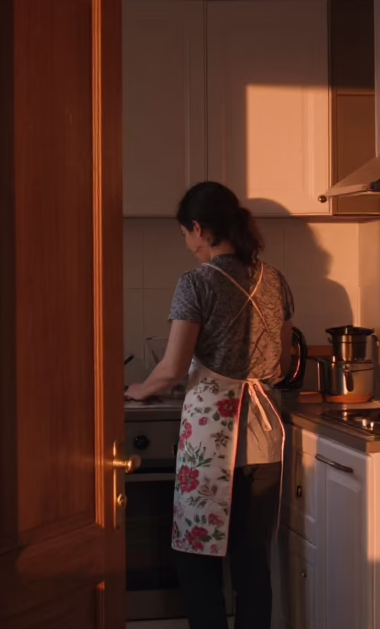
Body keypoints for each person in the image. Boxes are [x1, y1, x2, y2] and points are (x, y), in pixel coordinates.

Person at [126, 181, 295, 629]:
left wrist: (139, 389)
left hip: (211, 437)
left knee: (197, 559)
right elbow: (283, 362)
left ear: (198, 228)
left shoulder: (196, 282)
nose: (187, 242)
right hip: (263, 437)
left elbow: (172, 367)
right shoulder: (274, 279)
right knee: (252, 564)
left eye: (185, 233)